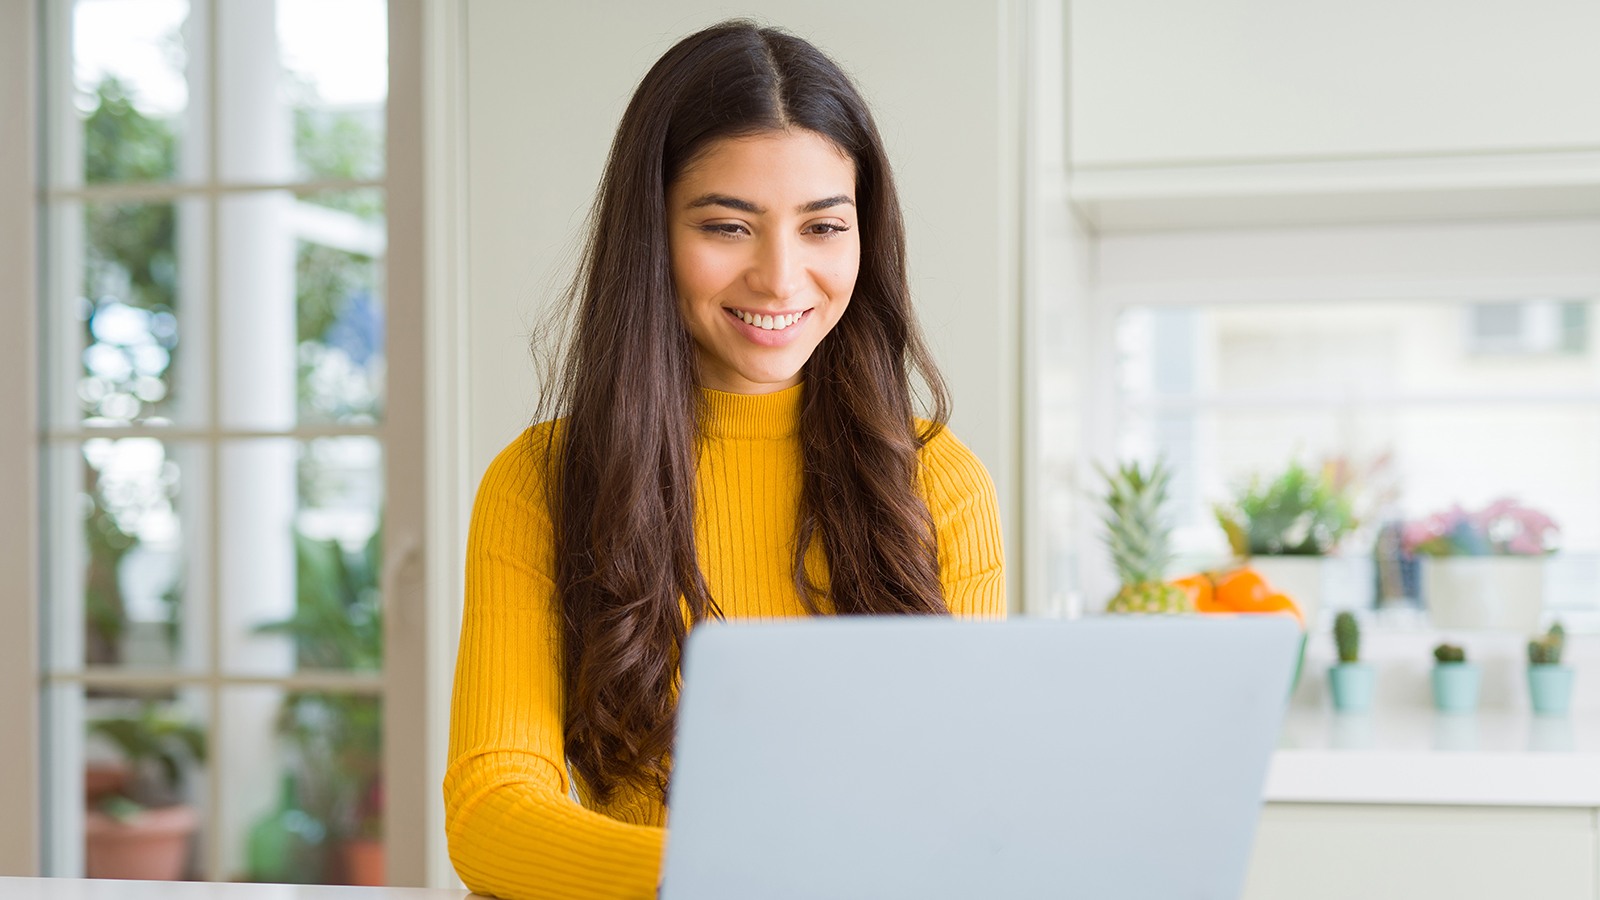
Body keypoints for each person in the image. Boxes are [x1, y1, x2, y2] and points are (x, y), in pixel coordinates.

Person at [443, 20, 1005, 900]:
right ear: (652, 234)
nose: (782, 279)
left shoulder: (940, 482)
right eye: (728, 226)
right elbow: (491, 812)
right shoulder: (541, 483)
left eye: (823, 226)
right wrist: (738, 879)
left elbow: (968, 811)